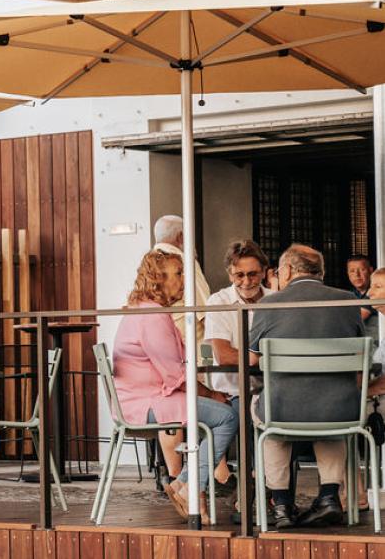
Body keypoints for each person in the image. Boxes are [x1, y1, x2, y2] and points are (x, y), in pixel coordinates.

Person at [112, 250, 238, 522]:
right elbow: (176, 374)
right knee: (227, 416)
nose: (183, 280)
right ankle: (190, 485)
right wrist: (213, 394)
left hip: (141, 400)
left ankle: (185, 483)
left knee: (222, 412)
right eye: (179, 274)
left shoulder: (146, 311)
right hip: (147, 403)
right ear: (158, 279)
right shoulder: (153, 316)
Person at [249, 243, 365, 530]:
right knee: (331, 415)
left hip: (283, 410)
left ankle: (282, 506)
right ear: (321, 272)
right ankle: (328, 497)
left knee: (268, 421)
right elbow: (360, 356)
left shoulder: (269, 304)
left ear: (286, 270)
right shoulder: (347, 301)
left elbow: (251, 358)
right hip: (341, 411)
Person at [204, 240, 270, 402]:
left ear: (263, 272)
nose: (246, 282)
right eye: (239, 275)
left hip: (270, 392)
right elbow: (224, 356)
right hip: (233, 393)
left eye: (252, 274)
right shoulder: (218, 302)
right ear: (230, 275)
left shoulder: (276, 299)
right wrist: (263, 358)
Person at [153, 215, 211, 349]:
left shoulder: (146, 264)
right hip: (191, 347)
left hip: (160, 345)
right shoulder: (184, 262)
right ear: (181, 237)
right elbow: (204, 309)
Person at [346, 254, 379, 337]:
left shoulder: (377, 291)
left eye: (362, 269)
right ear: (348, 274)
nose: (357, 275)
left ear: (371, 271)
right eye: (352, 271)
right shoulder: (348, 294)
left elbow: (356, 318)